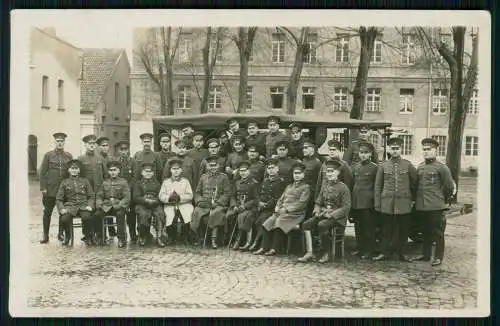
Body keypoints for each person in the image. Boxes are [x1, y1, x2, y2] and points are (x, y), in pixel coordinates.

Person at [411, 138, 455, 266]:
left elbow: (448, 187)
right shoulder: (420, 167)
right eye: (424, 150)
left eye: (428, 150)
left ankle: (438, 257)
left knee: (438, 233)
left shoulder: (442, 168)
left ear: (435, 150)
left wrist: (443, 201)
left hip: (435, 205)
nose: (426, 152)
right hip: (422, 206)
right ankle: (425, 255)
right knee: (425, 232)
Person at [373, 137, 417, 262]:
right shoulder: (383, 165)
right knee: (386, 230)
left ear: (401, 149)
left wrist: (412, 200)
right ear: (389, 150)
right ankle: (384, 252)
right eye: (393, 148)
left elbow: (415, 184)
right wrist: (377, 204)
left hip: (403, 203)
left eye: (397, 148)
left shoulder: (408, 165)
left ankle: (402, 253)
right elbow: (378, 185)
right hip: (387, 203)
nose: (395, 151)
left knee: (403, 230)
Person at [298, 159, 351, 263]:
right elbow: (318, 202)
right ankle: (310, 252)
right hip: (324, 214)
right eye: (328, 171)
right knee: (306, 224)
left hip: (338, 218)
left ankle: (326, 253)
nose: (329, 174)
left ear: (338, 172)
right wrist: (316, 211)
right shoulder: (325, 186)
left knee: (322, 225)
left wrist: (332, 215)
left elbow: (346, 207)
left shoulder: (343, 188)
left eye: (332, 171)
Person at [254, 162, 311, 256]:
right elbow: (281, 198)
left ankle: (274, 248)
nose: (296, 175)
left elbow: (301, 204)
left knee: (279, 222)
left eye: (299, 173)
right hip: (283, 211)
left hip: (296, 214)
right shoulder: (289, 186)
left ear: (303, 175)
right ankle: (264, 247)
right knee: (268, 222)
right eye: (295, 173)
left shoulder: (305, 188)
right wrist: (277, 206)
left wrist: (287, 209)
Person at [38, 132, 73, 243]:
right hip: (50, 190)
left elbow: (70, 173)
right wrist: (43, 187)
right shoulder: (48, 155)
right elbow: (42, 172)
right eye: (58, 141)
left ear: (64, 142)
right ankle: (45, 235)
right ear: (55, 142)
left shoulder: (68, 156)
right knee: (47, 212)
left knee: (63, 212)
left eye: (62, 141)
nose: (60, 143)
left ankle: (60, 234)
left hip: (63, 191)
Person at [191, 155, 231, 249]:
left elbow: (227, 193)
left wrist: (218, 203)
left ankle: (214, 240)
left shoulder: (223, 177)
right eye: (211, 165)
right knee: (196, 212)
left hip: (217, 204)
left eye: (215, 165)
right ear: (208, 166)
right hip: (204, 204)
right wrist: (200, 201)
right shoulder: (203, 177)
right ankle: (199, 238)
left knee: (215, 214)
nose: (213, 168)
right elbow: (197, 193)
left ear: (219, 166)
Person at [249, 158, 287, 252]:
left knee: (263, 219)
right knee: (252, 216)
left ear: (277, 169)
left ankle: (259, 244)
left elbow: (278, 198)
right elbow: (260, 194)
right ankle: (253, 242)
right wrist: (259, 203)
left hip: (273, 209)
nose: (270, 170)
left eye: (273, 168)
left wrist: (265, 205)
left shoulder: (281, 182)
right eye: (269, 168)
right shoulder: (265, 181)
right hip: (263, 208)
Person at [350, 141, 379, 259]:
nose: (363, 155)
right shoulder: (355, 167)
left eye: (365, 153)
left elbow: (377, 186)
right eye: (361, 152)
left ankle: (369, 250)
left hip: (368, 203)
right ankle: (360, 248)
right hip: (356, 202)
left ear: (370, 154)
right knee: (358, 227)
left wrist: (375, 202)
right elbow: (353, 184)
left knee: (369, 229)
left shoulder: (375, 168)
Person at [55, 159, 95, 246]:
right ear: (69, 170)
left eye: (76, 168)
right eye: (72, 168)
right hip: (70, 206)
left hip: (83, 205)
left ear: (79, 170)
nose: (74, 170)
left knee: (87, 217)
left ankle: (87, 236)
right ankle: (68, 237)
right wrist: (61, 208)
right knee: (64, 219)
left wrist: (90, 205)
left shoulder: (85, 181)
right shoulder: (64, 182)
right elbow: (59, 198)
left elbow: (91, 195)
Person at [93, 160, 130, 247]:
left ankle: (121, 238)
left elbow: (127, 197)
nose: (113, 172)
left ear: (118, 171)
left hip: (118, 206)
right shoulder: (105, 182)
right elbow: (99, 196)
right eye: (111, 170)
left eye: (115, 170)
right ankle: (101, 237)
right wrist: (99, 204)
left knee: (120, 215)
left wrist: (120, 205)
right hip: (107, 206)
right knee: (97, 215)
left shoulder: (123, 182)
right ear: (108, 171)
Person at [226, 161, 260, 251]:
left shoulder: (254, 183)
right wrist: (234, 206)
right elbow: (232, 196)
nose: (242, 173)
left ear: (249, 171)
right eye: (241, 171)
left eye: (245, 170)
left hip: (249, 208)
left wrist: (244, 206)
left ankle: (240, 241)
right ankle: (231, 239)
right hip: (237, 206)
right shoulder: (236, 182)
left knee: (242, 217)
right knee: (228, 216)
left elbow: (256, 199)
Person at [158, 158, 194, 244]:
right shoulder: (166, 182)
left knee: (188, 212)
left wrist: (180, 197)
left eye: (178, 169)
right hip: (170, 204)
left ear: (181, 170)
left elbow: (190, 195)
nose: (176, 171)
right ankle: (171, 236)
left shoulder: (185, 181)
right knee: (169, 214)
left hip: (183, 204)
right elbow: (161, 196)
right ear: (170, 170)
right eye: (174, 169)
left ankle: (185, 236)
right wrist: (169, 198)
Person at [133, 162, 167, 247]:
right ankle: (143, 236)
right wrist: (145, 200)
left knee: (161, 214)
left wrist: (155, 201)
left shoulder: (157, 183)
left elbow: (161, 196)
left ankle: (159, 237)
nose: (148, 173)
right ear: (142, 172)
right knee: (143, 215)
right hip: (142, 205)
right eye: (146, 171)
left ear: (153, 173)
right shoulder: (138, 184)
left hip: (155, 204)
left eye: (150, 171)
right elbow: (136, 197)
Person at [114, 140, 138, 244]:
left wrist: (128, 189)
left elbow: (135, 177)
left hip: (131, 192)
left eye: (126, 149)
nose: (124, 152)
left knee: (131, 214)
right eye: (121, 149)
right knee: (120, 213)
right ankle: (122, 236)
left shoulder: (133, 162)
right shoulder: (115, 162)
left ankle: (133, 234)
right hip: (119, 194)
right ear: (118, 151)